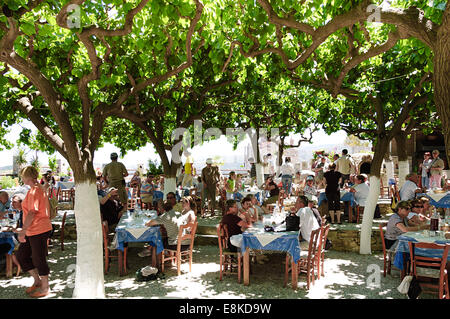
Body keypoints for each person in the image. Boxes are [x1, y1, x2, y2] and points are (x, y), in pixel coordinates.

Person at [15, 166, 53, 298]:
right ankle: (37, 281)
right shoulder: (36, 189)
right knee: (22, 255)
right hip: (33, 230)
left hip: (39, 229)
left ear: (27, 177)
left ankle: (45, 287)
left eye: (22, 176)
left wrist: (22, 231)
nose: (21, 178)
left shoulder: (35, 191)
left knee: (38, 258)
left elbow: (32, 212)